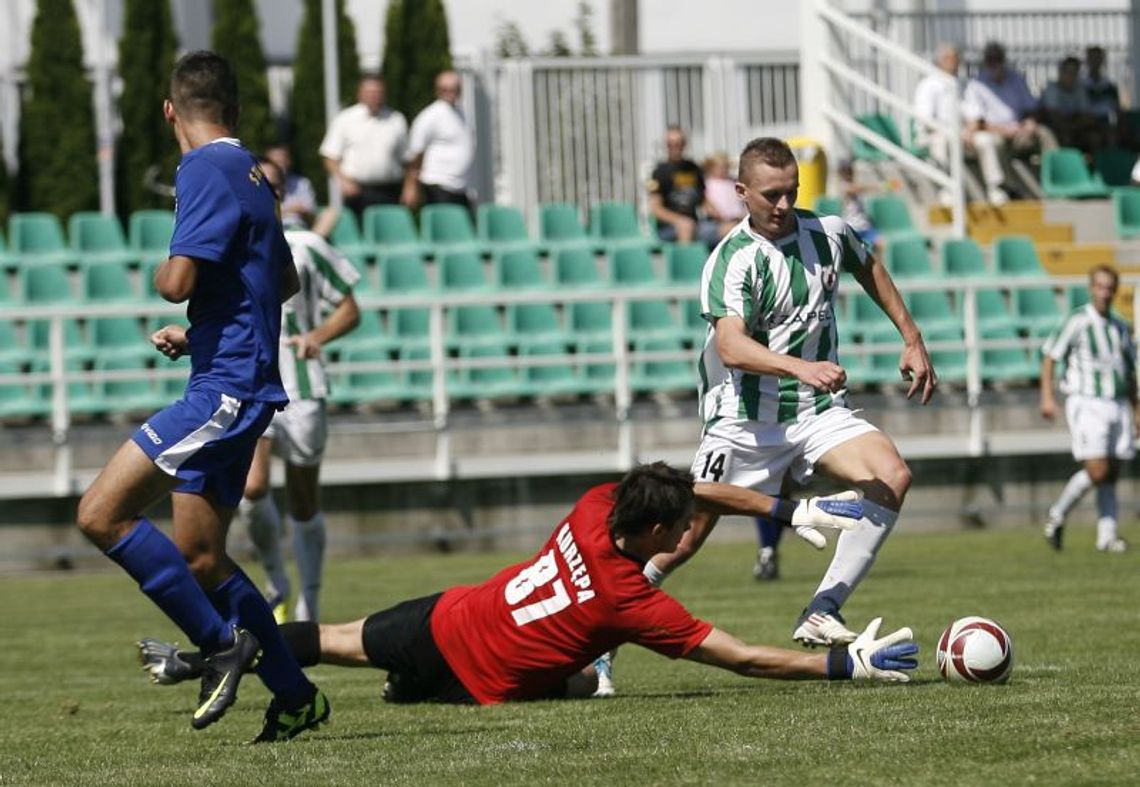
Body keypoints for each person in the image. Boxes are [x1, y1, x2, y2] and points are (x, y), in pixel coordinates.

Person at [138, 463, 918, 708]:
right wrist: (844, 664)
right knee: (586, 680)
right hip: (484, 682)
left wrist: (786, 508)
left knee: (331, 638)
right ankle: (414, 691)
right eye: (676, 530)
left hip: (449, 615)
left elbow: (684, 487)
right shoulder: (633, 599)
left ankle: (200, 655)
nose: (684, 534)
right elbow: (743, 657)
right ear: (651, 535)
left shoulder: (594, 506)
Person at [75, 51, 328, 743]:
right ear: (238, 110)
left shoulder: (203, 168)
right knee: (203, 556)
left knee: (100, 513)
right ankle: (297, 694)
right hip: (235, 377)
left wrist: (171, 279)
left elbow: (176, 281)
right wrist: (207, 338)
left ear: (169, 112)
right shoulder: (253, 173)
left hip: (225, 391)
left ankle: (222, 642)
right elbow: (281, 284)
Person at [644, 137, 936, 652]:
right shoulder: (732, 260)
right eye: (770, 194)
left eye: (791, 192)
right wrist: (800, 367)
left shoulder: (828, 233)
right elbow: (732, 347)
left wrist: (911, 337)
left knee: (891, 477)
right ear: (741, 193)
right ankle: (602, 634)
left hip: (817, 411)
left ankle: (822, 611)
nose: (783, 205)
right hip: (743, 419)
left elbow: (870, 268)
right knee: (684, 538)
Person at [236, 158, 361, 625]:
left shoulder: (307, 246)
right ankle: (276, 581)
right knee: (253, 486)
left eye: (268, 183)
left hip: (304, 388)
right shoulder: (235, 245)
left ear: (281, 191)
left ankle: (309, 600)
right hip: (254, 386)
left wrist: (317, 337)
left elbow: (350, 310)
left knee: (305, 499)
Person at [1040, 265, 1135, 554]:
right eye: (1100, 287)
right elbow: (1050, 355)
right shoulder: (1078, 320)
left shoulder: (1120, 327)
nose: (1105, 293)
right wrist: (1047, 396)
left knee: (1113, 471)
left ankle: (1107, 536)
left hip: (1117, 403)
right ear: (1091, 288)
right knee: (1097, 470)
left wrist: (1137, 407)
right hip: (1087, 401)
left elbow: (1131, 371)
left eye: (1110, 288)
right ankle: (1057, 515)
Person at [962, 41, 1058, 203]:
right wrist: (1002, 129)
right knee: (995, 142)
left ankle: (1057, 177)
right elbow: (977, 121)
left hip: (1020, 132)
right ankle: (1007, 186)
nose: (995, 63)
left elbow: (1031, 108)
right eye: (991, 60)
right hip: (994, 132)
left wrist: (1030, 123)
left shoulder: (1017, 79)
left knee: (1044, 133)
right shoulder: (976, 85)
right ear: (986, 62)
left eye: (998, 59)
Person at [320, 75, 409, 221]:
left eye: (378, 92)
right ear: (360, 94)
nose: (374, 96)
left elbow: (407, 159)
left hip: (390, 190)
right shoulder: (345, 119)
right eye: (370, 92)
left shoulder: (396, 119)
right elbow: (329, 156)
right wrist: (343, 181)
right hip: (357, 192)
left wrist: (409, 187)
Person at [402, 70, 476, 210]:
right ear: (437, 91)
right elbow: (416, 153)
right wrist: (411, 186)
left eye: (454, 89)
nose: (450, 92)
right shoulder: (430, 116)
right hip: (438, 185)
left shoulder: (461, 112)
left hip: (461, 186)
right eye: (445, 89)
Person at [648, 126, 727, 247]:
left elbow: (703, 201)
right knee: (686, 226)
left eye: (679, 143)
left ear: (684, 144)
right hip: (669, 228)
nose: (675, 147)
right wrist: (678, 220)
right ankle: (686, 265)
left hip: (696, 225)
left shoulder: (694, 168)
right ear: (666, 145)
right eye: (671, 144)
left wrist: (722, 216)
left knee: (729, 229)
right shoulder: (659, 172)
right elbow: (656, 209)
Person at [1040, 57, 1102, 152]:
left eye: (1075, 72)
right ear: (1061, 73)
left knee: (1094, 137)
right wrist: (1073, 122)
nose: (1072, 76)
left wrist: (1073, 124)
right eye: (1069, 72)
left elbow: (1087, 116)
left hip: (1075, 128)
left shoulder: (1079, 89)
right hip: (1055, 129)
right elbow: (1054, 117)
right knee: (1065, 137)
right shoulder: (1052, 89)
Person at [264, 144, 318, 229]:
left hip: (301, 227)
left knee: (331, 213)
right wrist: (292, 209)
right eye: (276, 161)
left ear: (289, 161)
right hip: (274, 229)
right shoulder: (260, 183)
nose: (280, 165)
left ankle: (314, 239)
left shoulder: (302, 183)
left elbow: (310, 212)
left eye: (283, 161)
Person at [702, 152, 747, 224]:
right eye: (720, 168)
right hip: (721, 219)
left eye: (726, 167)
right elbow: (707, 202)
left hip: (739, 216)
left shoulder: (733, 181)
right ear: (711, 169)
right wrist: (717, 215)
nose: (724, 170)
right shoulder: (709, 184)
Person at [1083, 46, 1120, 125]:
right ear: (1087, 61)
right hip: (1085, 124)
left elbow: (1117, 108)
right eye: (1092, 58)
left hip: (1105, 122)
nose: (1095, 62)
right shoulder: (1080, 85)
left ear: (1102, 60)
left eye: (1098, 58)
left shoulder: (1110, 86)